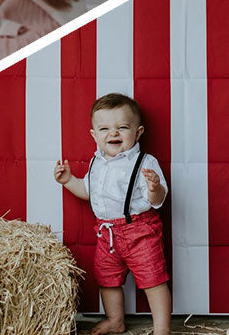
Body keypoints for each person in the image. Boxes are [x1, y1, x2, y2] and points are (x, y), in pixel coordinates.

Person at [54, 93, 170, 335]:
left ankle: (162, 329)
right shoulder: (97, 162)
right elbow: (89, 192)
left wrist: (154, 188)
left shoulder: (144, 162)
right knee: (107, 279)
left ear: (137, 133)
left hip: (140, 230)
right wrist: (68, 181)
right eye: (105, 128)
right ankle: (115, 320)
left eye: (122, 127)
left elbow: (158, 201)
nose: (113, 133)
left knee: (153, 279)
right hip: (107, 234)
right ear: (94, 135)